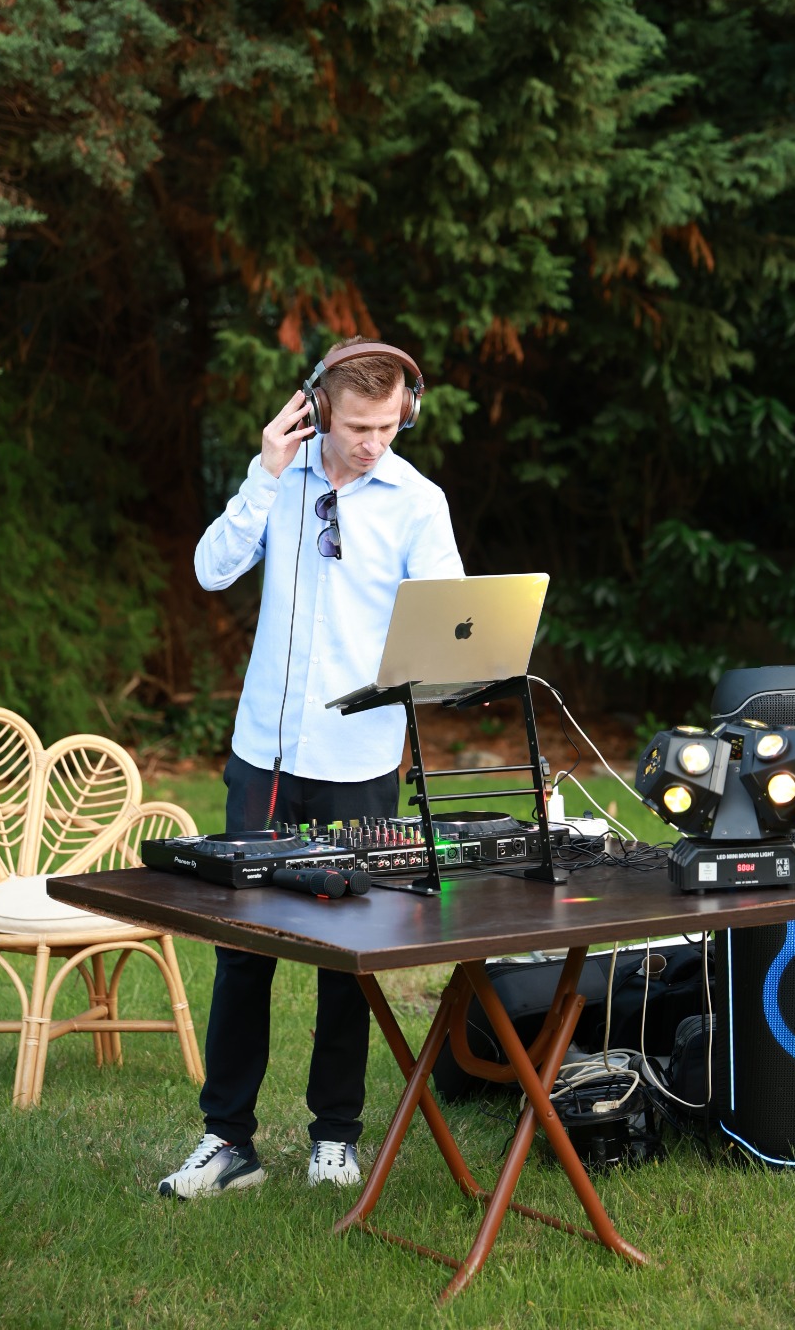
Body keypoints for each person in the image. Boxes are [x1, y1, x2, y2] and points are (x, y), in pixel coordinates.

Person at [159, 338, 464, 1198]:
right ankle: (227, 1140)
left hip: (360, 758)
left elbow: (451, 625)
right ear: (319, 409)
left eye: (389, 425)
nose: (374, 442)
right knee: (242, 948)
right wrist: (264, 472)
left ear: (407, 411)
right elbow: (211, 571)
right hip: (264, 751)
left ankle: (335, 1136)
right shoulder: (279, 478)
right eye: (359, 425)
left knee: (346, 957)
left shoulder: (418, 501)